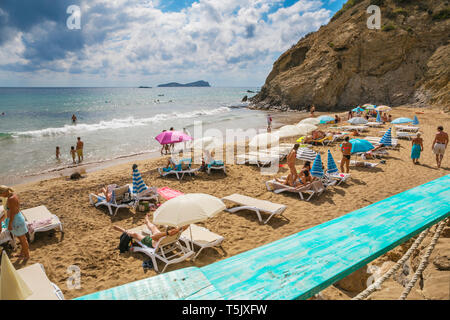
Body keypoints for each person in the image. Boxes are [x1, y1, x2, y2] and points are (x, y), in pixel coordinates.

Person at [113, 214, 188, 249]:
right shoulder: (178, 231)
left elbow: (152, 237)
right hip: (165, 241)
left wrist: (167, 233)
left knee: (135, 234)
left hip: (154, 243)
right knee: (154, 228)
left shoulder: (162, 236)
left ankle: (123, 230)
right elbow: (186, 225)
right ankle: (147, 221)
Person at [0, 186, 29, 260]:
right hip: (16, 220)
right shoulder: (12, 196)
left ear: (4, 192)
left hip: (16, 221)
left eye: (1, 194)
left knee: (23, 240)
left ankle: (26, 255)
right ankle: (22, 253)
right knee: (21, 239)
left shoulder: (11, 199)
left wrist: (9, 224)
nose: (1, 196)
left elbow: (13, 213)